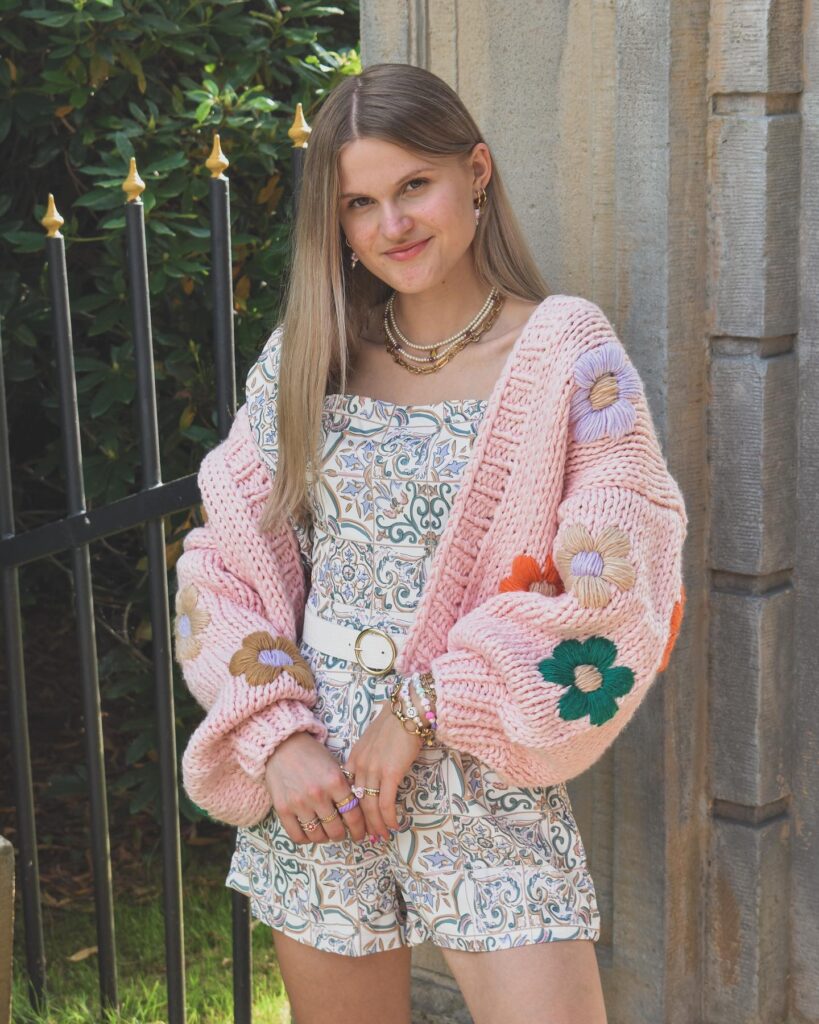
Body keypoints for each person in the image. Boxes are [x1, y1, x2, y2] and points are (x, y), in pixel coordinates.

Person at [172, 62, 687, 1024]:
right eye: (359, 204)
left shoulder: (565, 353)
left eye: (414, 185)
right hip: (317, 772)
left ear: (476, 173)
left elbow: (619, 576)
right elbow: (222, 563)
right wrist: (277, 737)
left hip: (475, 760)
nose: (392, 225)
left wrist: (418, 710)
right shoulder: (307, 358)